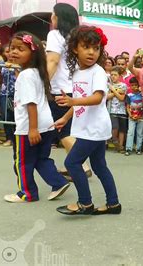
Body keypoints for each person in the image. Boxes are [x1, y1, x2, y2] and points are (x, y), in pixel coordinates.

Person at [54, 26, 121, 215]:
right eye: (86, 47)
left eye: (96, 48)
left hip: (94, 128)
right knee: (99, 166)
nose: (92, 52)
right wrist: (65, 118)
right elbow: (79, 101)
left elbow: (97, 97)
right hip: (88, 127)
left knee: (72, 163)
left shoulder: (97, 71)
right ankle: (113, 204)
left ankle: (85, 203)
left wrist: (72, 101)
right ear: (75, 48)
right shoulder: (77, 73)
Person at [3, 32, 70, 203]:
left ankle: (27, 193)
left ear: (32, 53)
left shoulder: (26, 75)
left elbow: (31, 103)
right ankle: (58, 182)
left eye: (21, 49)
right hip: (46, 125)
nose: (14, 52)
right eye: (12, 48)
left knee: (22, 162)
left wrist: (32, 128)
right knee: (41, 158)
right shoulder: (37, 72)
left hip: (30, 127)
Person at [46, 3, 91, 179]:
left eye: (53, 14)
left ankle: (82, 166)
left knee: (63, 131)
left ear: (58, 17)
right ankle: (77, 165)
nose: (51, 18)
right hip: (79, 89)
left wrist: (42, 85)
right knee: (73, 130)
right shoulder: (79, 37)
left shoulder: (55, 35)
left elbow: (53, 62)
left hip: (62, 89)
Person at [0, 46, 19, 147]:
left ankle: (17, 138)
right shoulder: (1, 64)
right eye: (7, 51)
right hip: (5, 93)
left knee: (17, 117)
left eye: (11, 51)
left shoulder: (20, 64)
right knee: (6, 116)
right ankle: (9, 138)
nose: (10, 53)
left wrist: (15, 68)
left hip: (18, 93)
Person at [107, 66, 127, 153]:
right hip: (111, 110)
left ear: (119, 76)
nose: (113, 76)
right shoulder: (108, 85)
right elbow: (107, 97)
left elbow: (121, 98)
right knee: (114, 127)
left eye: (115, 75)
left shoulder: (123, 85)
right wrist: (116, 91)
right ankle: (115, 141)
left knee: (122, 129)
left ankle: (121, 146)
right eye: (111, 75)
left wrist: (113, 91)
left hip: (122, 110)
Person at [125, 77, 143, 156]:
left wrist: (142, 115)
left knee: (140, 132)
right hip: (132, 117)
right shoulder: (129, 95)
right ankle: (128, 148)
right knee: (130, 132)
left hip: (141, 117)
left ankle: (138, 148)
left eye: (136, 85)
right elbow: (127, 106)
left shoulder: (142, 95)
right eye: (132, 85)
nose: (134, 87)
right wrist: (130, 115)